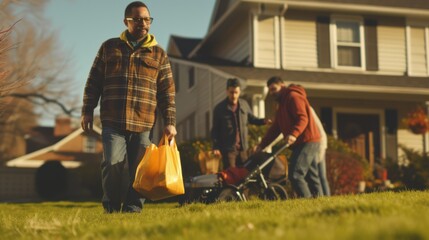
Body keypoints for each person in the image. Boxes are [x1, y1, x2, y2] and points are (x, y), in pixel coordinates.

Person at [81, 1, 176, 213]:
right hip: (113, 121)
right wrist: (87, 110)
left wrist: (170, 122)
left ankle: (133, 209)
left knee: (140, 171)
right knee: (112, 164)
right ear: (126, 21)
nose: (143, 23)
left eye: (147, 19)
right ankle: (111, 209)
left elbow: (167, 92)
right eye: (138, 19)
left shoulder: (159, 54)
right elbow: (93, 81)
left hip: (143, 122)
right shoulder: (110, 47)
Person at [255, 76, 322, 198]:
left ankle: (307, 203)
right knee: (311, 177)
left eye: (274, 88)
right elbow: (275, 129)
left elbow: (303, 118)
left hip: (308, 140)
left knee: (296, 174)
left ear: (282, 85)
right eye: (270, 90)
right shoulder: (281, 106)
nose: (272, 92)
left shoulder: (293, 97)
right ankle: (321, 202)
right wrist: (261, 146)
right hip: (301, 142)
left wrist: (293, 134)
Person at [211, 78, 271, 169]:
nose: (234, 95)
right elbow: (215, 130)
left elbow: (252, 119)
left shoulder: (244, 105)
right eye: (231, 92)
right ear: (227, 91)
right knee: (230, 175)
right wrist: (216, 147)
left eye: (236, 92)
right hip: (228, 150)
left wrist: (263, 121)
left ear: (239, 92)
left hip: (243, 149)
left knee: (244, 174)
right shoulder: (219, 109)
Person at [310, 107, 331, 196]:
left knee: (321, 175)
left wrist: (320, 150)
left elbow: (320, 132)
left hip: (319, 143)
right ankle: (323, 198)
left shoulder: (308, 109)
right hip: (314, 143)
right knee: (319, 175)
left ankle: (326, 198)